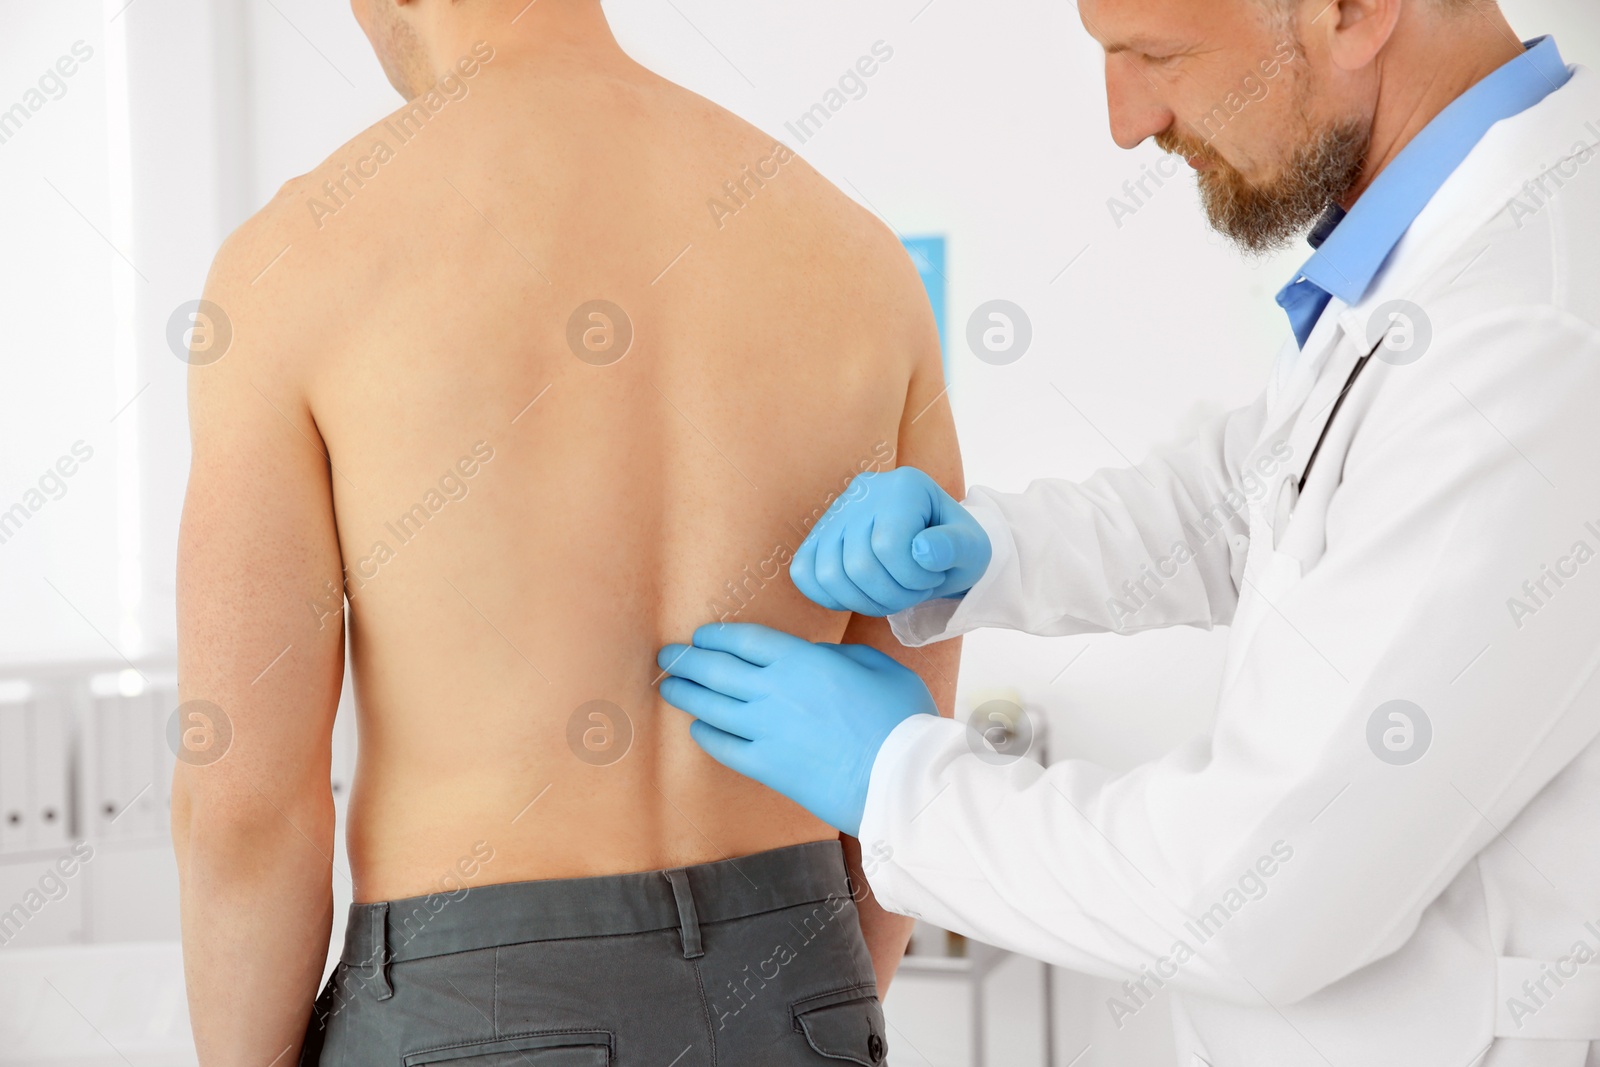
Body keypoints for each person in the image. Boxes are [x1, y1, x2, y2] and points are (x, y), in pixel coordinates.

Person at [658, 0, 1600, 1062]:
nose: (1125, 121)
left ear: (1350, 11)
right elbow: (1261, 496)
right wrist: (988, 550)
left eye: (1156, 55)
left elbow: (1261, 897)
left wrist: (895, 781)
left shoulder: (1525, 331)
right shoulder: (1429, 256)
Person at [169, 0, 961, 1063]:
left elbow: (246, 804)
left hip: (473, 1010)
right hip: (801, 991)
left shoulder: (295, 267)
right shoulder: (857, 256)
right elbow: (901, 753)